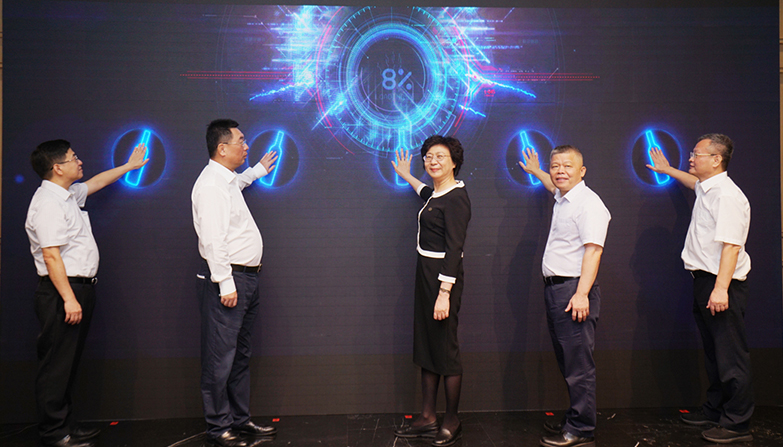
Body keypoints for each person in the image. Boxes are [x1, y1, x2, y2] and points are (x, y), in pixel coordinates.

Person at [25, 139, 148, 447]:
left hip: (78, 290)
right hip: (62, 293)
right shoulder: (48, 203)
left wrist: (129, 166)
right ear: (57, 168)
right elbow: (51, 255)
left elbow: (96, 183)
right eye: (73, 158)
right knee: (56, 365)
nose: (79, 161)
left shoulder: (66, 195)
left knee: (68, 363)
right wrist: (68, 298)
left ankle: (66, 425)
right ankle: (54, 432)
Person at [646, 134, 753, 444]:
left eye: (697, 154)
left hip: (722, 283)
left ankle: (737, 422)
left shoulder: (727, 196)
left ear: (716, 160)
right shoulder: (708, 188)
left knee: (730, 356)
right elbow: (693, 183)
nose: (691, 159)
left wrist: (720, 289)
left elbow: (732, 246)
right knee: (714, 353)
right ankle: (715, 409)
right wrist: (668, 170)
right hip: (705, 281)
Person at [191, 119, 279, 447]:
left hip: (246, 279)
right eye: (241, 141)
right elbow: (212, 239)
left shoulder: (225, 180)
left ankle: (240, 420)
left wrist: (256, 171)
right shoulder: (211, 185)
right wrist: (225, 283)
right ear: (222, 148)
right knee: (220, 358)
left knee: (239, 355)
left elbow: (238, 183)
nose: (246, 146)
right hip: (229, 282)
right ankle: (219, 428)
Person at [519, 145, 610, 447]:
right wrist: (536, 171)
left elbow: (594, 251)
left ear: (582, 171)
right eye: (555, 165)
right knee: (568, 361)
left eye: (567, 166)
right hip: (557, 290)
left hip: (574, 291)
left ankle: (582, 429)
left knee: (578, 365)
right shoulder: (564, 196)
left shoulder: (589, 204)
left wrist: (582, 294)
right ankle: (575, 418)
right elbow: (553, 184)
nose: (560, 171)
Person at [391, 136, 471, 447]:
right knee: (426, 345)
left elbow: (455, 249)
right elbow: (426, 193)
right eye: (428, 157)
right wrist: (406, 175)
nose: (432, 161)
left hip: (442, 280)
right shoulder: (437, 194)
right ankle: (427, 417)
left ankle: (451, 420)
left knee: (445, 349)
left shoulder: (457, 198)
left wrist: (444, 292)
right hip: (425, 276)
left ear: (454, 163)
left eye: (440, 156)